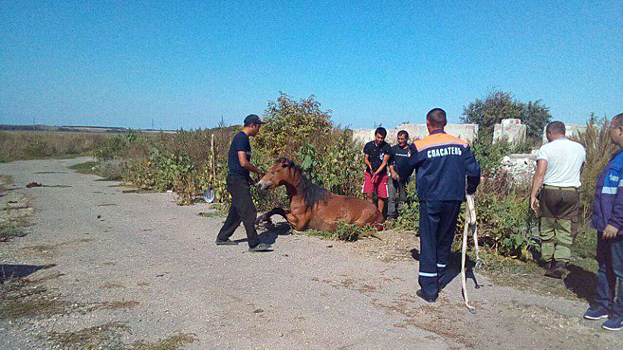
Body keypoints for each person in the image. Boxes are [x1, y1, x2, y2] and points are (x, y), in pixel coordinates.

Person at [411, 108, 481, 302]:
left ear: (427, 122)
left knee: (429, 242)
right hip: (453, 199)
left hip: (430, 200)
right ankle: (439, 279)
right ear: (445, 123)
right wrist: (470, 189)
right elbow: (474, 170)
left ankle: (429, 291)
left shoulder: (421, 145)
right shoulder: (461, 145)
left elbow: (405, 167)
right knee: (444, 240)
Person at [530, 121, 586, 279]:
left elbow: (540, 172)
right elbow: (581, 169)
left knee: (547, 224)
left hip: (550, 190)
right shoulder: (579, 148)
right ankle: (561, 261)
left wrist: (533, 195)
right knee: (566, 226)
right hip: (571, 192)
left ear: (549, 134)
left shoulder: (546, 148)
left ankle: (547, 259)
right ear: (564, 132)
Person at [583, 113, 623, 331]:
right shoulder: (616, 157)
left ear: (620, 130)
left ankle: (620, 313)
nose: (608, 131)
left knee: (620, 270)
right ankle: (603, 305)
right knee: (604, 266)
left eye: (611, 128)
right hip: (605, 225)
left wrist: (616, 222)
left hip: (616, 227)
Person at [216, 114, 271, 252]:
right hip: (236, 181)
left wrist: (251, 180)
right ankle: (254, 244)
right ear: (253, 125)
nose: (259, 130)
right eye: (258, 126)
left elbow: (240, 166)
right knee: (249, 211)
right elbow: (243, 162)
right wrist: (258, 171)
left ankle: (222, 237)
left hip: (239, 179)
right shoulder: (242, 138)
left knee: (236, 211)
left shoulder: (243, 139)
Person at [387, 130, 416, 219]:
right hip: (393, 176)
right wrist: (392, 172)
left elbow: (414, 163)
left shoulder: (411, 149)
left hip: (405, 178)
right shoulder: (394, 149)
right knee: (391, 198)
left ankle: (402, 216)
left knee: (403, 198)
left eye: (402, 139)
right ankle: (391, 216)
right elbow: (390, 162)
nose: (400, 141)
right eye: (398, 139)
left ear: (407, 139)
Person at [363, 127, 392, 215]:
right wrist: (370, 167)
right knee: (369, 194)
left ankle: (379, 215)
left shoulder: (387, 147)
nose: (379, 140)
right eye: (378, 137)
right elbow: (366, 159)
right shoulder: (369, 145)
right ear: (375, 136)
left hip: (382, 174)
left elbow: (384, 162)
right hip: (369, 173)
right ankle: (370, 214)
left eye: (381, 138)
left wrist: (376, 173)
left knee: (381, 196)